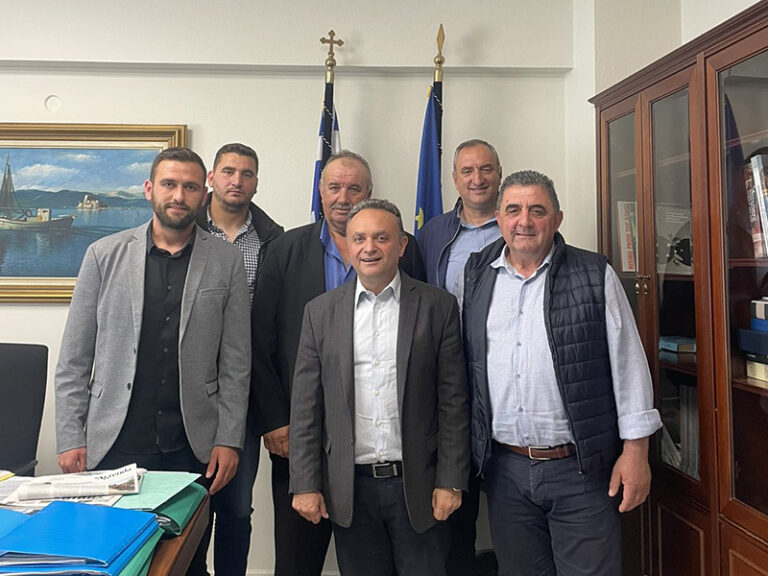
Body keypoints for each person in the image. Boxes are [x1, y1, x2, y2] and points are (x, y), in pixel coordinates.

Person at [55, 147, 251, 576]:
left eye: (190, 187)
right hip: (114, 442)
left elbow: (237, 363)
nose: (178, 195)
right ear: (149, 189)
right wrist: (70, 436)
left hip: (193, 446)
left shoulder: (226, 261)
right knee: (112, 561)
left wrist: (229, 438)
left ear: (203, 193)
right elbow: (74, 358)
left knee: (187, 563)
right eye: (169, 184)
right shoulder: (103, 255)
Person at [462, 170, 662, 576]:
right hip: (505, 471)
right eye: (513, 210)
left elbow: (628, 364)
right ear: (499, 219)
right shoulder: (478, 273)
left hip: (580, 471)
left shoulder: (593, 273)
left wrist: (636, 452)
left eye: (537, 210)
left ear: (557, 219)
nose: (524, 221)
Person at [251, 150, 425, 576]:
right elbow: (260, 341)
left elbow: (421, 338)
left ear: (370, 192)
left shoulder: (403, 248)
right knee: (296, 561)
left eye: (354, 188)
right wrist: (274, 420)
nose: (343, 197)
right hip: (300, 439)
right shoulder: (284, 250)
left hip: (378, 448)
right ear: (320, 191)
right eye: (334, 187)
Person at [290, 198, 469, 576]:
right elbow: (306, 407)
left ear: (401, 245)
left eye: (381, 238)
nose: (369, 247)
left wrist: (451, 480)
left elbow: (454, 402)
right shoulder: (320, 312)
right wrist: (305, 484)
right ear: (348, 245)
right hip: (350, 490)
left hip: (420, 486)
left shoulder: (438, 307)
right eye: (359, 238)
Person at [197, 142, 283, 576]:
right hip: (187, 391)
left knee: (235, 508)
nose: (237, 181)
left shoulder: (274, 240)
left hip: (244, 393)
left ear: (256, 183)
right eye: (228, 172)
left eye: (247, 174)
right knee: (188, 509)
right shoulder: (186, 230)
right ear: (212, 178)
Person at [417, 138, 502, 575]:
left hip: (504, 382)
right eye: (467, 171)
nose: (477, 178)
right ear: (453, 179)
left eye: (485, 169)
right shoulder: (432, 233)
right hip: (449, 383)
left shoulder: (518, 223)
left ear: (499, 174)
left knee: (510, 504)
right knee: (456, 508)